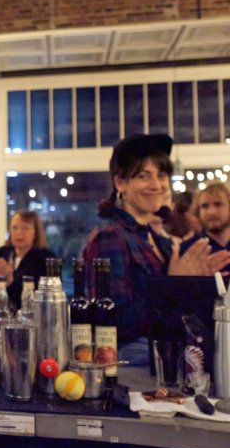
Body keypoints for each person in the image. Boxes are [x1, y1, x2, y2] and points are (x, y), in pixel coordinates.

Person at [83, 133, 230, 365]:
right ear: (120, 183)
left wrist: (200, 285)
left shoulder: (157, 240)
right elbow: (111, 322)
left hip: (170, 357)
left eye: (161, 175)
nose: (156, 184)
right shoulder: (110, 238)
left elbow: (177, 313)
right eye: (143, 176)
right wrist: (174, 285)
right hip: (134, 365)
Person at [0, 210, 55, 311]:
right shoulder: (1, 254)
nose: (19, 232)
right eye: (15, 228)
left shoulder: (45, 258)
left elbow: (40, 299)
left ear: (36, 232)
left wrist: (11, 280)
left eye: (25, 228)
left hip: (33, 319)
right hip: (3, 318)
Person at [180, 182, 230, 273]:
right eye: (205, 206)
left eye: (218, 204)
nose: (211, 212)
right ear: (198, 211)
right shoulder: (188, 250)